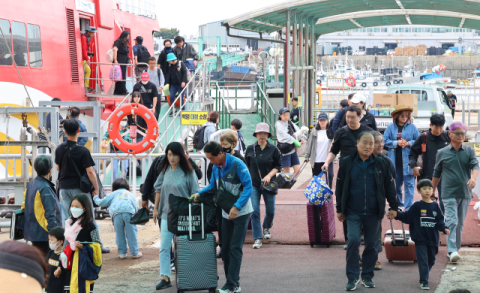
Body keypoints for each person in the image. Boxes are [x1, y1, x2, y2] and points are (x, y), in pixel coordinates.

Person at [335, 131, 398, 291]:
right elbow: (340, 187)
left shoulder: (381, 164)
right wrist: (340, 209)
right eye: (365, 142)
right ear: (357, 143)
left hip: (373, 212)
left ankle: (367, 276)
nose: (369, 146)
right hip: (352, 212)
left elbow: (390, 187)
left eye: (372, 143)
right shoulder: (347, 162)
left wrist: (394, 206)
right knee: (353, 241)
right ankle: (353, 277)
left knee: (371, 244)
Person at [193, 141, 253, 293]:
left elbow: (248, 186)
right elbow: (213, 185)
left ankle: (231, 285)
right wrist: (200, 193)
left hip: (241, 211)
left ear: (220, 154)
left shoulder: (237, 164)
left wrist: (237, 206)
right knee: (225, 248)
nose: (210, 162)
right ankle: (233, 283)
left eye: (211, 158)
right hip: (226, 211)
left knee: (235, 248)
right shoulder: (215, 167)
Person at [321, 105, 373, 248]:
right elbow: (334, 150)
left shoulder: (368, 132)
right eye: (347, 117)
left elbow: (375, 151)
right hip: (346, 173)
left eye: (352, 117)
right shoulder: (341, 132)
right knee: (345, 202)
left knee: (364, 202)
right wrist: (326, 162)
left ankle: (361, 234)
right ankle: (349, 238)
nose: (349, 120)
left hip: (364, 173)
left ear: (359, 117)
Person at [55, 119, 109, 253]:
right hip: (80, 190)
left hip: (64, 188)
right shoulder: (83, 150)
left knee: (70, 219)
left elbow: (57, 167)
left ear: (65, 132)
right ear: (78, 131)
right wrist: (96, 189)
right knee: (89, 218)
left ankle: (70, 246)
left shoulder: (59, 148)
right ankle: (97, 245)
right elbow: (90, 171)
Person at [388, 179, 450, 290]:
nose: (427, 191)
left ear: (432, 190)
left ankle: (425, 272)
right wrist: (397, 214)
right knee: (423, 260)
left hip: (433, 239)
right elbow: (407, 217)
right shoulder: (416, 206)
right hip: (420, 239)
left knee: (431, 260)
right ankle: (424, 281)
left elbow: (440, 220)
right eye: (424, 188)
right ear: (419, 191)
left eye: (430, 188)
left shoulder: (435, 206)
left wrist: (444, 228)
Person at [152, 142, 199, 290]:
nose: (171, 158)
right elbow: (158, 188)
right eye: (169, 154)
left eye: (175, 154)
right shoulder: (165, 170)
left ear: (182, 155)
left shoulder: (189, 172)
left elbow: (195, 193)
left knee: (185, 247)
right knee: (164, 247)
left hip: (184, 215)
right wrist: (155, 209)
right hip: (166, 214)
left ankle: (188, 277)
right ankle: (165, 277)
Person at [432, 121, 479, 263]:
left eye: (463, 133)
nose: (461, 136)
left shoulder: (469, 151)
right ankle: (452, 250)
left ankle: (455, 249)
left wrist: (473, 179)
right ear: (450, 134)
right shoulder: (442, 152)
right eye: (458, 133)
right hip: (448, 193)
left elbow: (475, 166)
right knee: (451, 220)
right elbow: (437, 172)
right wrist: (431, 190)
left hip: (464, 193)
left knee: (460, 223)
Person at [245, 123, 282, 249]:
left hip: (269, 184)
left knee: (270, 211)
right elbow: (246, 166)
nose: (262, 135)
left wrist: (269, 176)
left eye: (264, 133)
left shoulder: (274, 149)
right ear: (256, 134)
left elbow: (278, 166)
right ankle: (257, 238)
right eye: (259, 133)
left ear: (268, 135)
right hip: (254, 184)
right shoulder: (250, 149)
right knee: (254, 211)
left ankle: (266, 226)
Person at [61, 194, 103, 293]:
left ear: (84, 208)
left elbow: (98, 245)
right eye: (72, 206)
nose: (73, 209)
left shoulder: (90, 226)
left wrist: (84, 247)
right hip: (69, 265)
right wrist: (60, 265)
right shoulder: (68, 225)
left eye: (77, 207)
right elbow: (64, 247)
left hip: (85, 266)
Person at [409, 114, 450, 213]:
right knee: (427, 203)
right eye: (436, 127)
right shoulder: (424, 137)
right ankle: (427, 222)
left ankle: (443, 223)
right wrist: (413, 166)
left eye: (441, 127)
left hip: (445, 176)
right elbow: (412, 153)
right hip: (427, 176)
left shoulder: (448, 137)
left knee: (445, 202)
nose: (439, 130)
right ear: (430, 125)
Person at [22, 155, 62, 255]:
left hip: (33, 231)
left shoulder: (31, 184)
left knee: (38, 259)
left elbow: (24, 205)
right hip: (44, 233)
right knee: (46, 261)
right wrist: (54, 233)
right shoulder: (45, 188)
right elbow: (50, 212)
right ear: (50, 170)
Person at [93, 178, 142, 259]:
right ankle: (134, 252)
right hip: (129, 213)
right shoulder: (129, 194)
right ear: (127, 186)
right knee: (131, 233)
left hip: (116, 215)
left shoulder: (112, 194)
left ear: (114, 187)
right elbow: (134, 206)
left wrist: (95, 197)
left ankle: (122, 253)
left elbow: (101, 202)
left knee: (119, 234)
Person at [384, 104, 420, 211]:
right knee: (396, 185)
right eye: (402, 116)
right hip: (394, 162)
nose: (404, 118)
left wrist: (408, 143)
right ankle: (399, 204)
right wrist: (397, 142)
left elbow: (418, 140)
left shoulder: (412, 127)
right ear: (397, 116)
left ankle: (408, 208)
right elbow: (384, 141)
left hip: (409, 163)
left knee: (409, 185)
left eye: (406, 115)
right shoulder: (390, 128)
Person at [371, 130, 396, 271]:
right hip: (357, 205)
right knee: (356, 235)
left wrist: (394, 205)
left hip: (377, 205)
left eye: (382, 141)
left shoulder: (386, 161)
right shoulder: (359, 160)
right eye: (377, 142)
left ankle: (374, 259)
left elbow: (391, 185)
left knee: (375, 232)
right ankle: (358, 258)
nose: (381, 145)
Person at [305, 113, 333, 188]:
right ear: (318, 121)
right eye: (321, 120)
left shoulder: (330, 132)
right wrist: (307, 156)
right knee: (316, 180)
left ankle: (328, 196)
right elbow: (309, 145)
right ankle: (315, 198)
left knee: (329, 177)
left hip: (327, 160)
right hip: (316, 160)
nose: (322, 122)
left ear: (327, 121)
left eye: (324, 120)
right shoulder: (314, 132)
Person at [276, 107, 304, 174]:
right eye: (284, 115)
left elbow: (297, 130)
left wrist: (301, 137)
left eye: (287, 115)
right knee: (286, 172)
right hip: (285, 151)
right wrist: (295, 141)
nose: (286, 117)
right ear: (280, 115)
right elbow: (285, 136)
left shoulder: (289, 122)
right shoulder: (278, 124)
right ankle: (285, 184)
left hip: (292, 150)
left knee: (298, 170)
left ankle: (289, 183)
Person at [46, 227, 66, 293]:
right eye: (49, 239)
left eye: (52, 240)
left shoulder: (64, 255)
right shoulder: (51, 252)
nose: (49, 242)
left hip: (59, 287)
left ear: (60, 241)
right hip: (49, 285)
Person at [113, 31, 131, 95]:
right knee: (120, 75)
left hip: (124, 61)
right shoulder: (118, 41)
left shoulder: (124, 43)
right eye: (127, 35)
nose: (128, 37)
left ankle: (122, 89)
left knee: (123, 75)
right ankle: (120, 91)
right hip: (119, 60)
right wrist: (115, 60)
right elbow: (115, 49)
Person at [81, 26, 97, 92]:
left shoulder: (86, 38)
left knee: (87, 71)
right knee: (88, 71)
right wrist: (87, 59)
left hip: (83, 58)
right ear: (89, 32)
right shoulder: (84, 38)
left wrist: (89, 53)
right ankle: (86, 87)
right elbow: (83, 49)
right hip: (82, 59)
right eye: (93, 33)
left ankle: (86, 86)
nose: (93, 34)